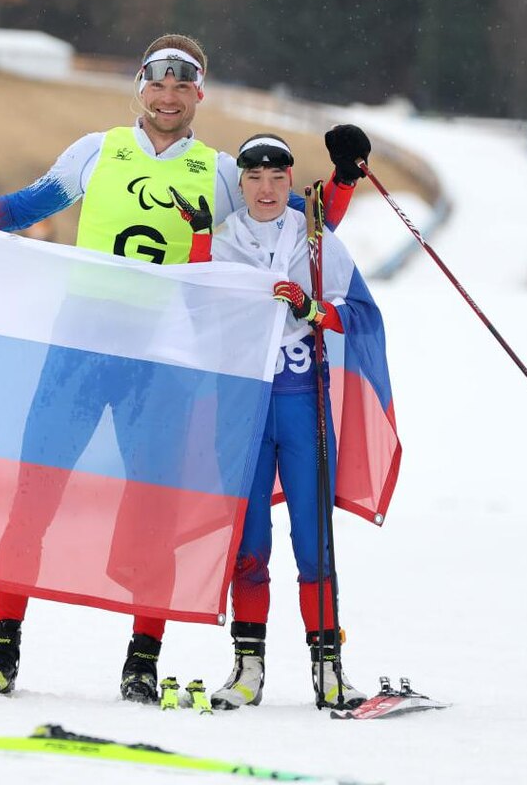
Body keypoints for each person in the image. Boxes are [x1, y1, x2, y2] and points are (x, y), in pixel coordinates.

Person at [0, 33, 371, 704]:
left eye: (183, 86)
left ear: (198, 93)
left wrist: (346, 175)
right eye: (157, 83)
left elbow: (298, 214)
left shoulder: (223, 171)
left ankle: (141, 662)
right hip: (79, 354)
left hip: (163, 364)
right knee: (33, 500)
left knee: (154, 516)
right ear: (140, 87)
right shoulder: (96, 150)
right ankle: (1, 652)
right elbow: (25, 209)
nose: (168, 97)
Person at [175, 132, 390, 710]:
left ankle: (329, 671)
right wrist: (197, 241)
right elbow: (197, 308)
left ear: (290, 182)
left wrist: (313, 311)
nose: (266, 190)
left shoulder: (316, 241)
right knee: (249, 544)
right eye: (254, 179)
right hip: (242, 406)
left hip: (301, 400)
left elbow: (362, 316)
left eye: (276, 178)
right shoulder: (221, 240)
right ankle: (247, 671)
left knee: (314, 540)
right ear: (240, 184)